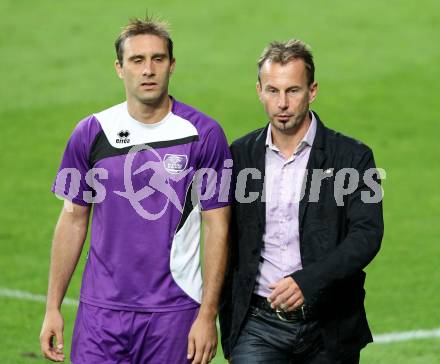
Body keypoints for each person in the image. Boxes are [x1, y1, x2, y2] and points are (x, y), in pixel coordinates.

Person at [39, 17, 231, 364]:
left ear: (172, 65)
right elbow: (72, 220)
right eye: (137, 60)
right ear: (119, 68)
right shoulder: (91, 132)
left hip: (174, 312)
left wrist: (207, 315)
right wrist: (53, 307)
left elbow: (217, 225)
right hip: (101, 314)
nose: (148, 70)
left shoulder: (203, 134)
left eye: (158, 59)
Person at [219, 39, 384, 363]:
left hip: (328, 326)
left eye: (293, 91)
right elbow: (219, 235)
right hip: (257, 325)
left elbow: (367, 234)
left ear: (313, 91)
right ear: (259, 91)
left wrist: (309, 281)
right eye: (272, 91)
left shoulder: (355, 157)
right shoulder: (238, 157)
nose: (282, 103)